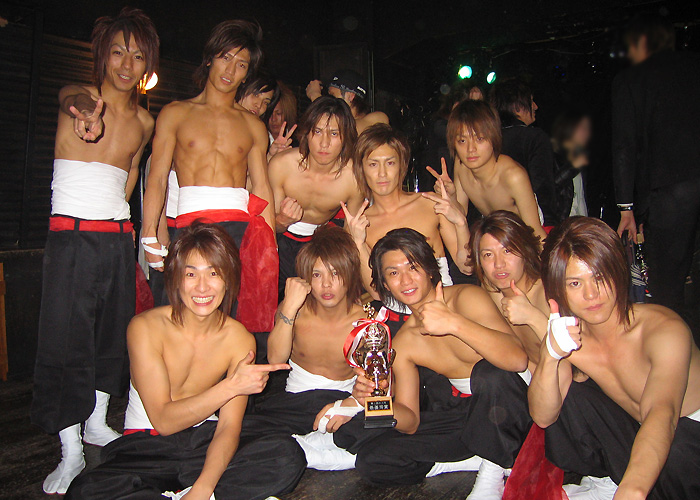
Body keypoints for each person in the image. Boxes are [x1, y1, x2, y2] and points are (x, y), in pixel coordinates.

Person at [66, 222, 305, 500]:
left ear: (228, 278)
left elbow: (228, 427)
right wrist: (230, 387)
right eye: (191, 274)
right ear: (176, 279)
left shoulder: (239, 338)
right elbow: (164, 421)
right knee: (85, 492)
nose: (202, 287)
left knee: (286, 456)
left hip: (204, 440)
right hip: (146, 445)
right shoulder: (145, 327)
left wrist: (203, 488)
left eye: (213, 273)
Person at [31, 8, 158, 494]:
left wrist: (129, 233)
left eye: (138, 55)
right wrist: (84, 110)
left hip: (116, 236)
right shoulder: (78, 98)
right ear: (103, 54)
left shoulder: (144, 121)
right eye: (119, 51)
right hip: (70, 236)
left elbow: (131, 174)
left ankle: (98, 422)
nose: (127, 63)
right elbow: (71, 97)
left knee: (113, 332)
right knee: (65, 340)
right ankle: (70, 449)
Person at [333, 228, 528, 487]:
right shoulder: (404, 342)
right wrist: (372, 402)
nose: (405, 280)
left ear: (429, 268)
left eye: (412, 267)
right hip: (465, 415)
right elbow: (411, 421)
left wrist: (454, 323)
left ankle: (492, 467)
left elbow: (517, 361)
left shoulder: (465, 298)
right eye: (393, 273)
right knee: (372, 459)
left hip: (512, 408)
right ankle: (471, 458)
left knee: (490, 373)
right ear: (385, 284)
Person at [530, 217, 700, 500]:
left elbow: (663, 413)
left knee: (676, 444)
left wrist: (632, 490)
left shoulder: (663, 330)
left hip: (687, 440)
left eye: (599, 277)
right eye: (575, 283)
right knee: (571, 394)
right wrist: (550, 354)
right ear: (558, 290)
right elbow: (543, 417)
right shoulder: (571, 337)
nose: (591, 294)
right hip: (645, 435)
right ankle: (608, 481)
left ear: (618, 272)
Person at [142, 20, 277, 333]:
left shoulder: (253, 126)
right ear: (209, 58)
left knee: (232, 321)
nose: (230, 70)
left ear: (247, 74)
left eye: (241, 64)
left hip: (240, 230)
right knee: (181, 317)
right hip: (189, 226)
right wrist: (150, 234)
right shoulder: (175, 113)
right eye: (225, 58)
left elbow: (262, 188)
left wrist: (268, 252)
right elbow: (157, 179)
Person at [612, 14, 700, 320]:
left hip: (671, 190)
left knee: (666, 283)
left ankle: (674, 339)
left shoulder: (631, 80)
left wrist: (626, 207)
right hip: (681, 184)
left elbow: (624, 145)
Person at [256, 225, 366, 469]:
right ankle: (318, 450)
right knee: (247, 431)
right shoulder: (294, 310)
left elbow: (377, 384)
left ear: (350, 275)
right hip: (295, 404)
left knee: (378, 424)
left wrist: (353, 404)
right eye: (317, 275)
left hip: (341, 403)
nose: (326, 285)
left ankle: (306, 450)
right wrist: (289, 307)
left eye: (335, 273)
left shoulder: (365, 320)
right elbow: (275, 358)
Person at [343, 123, 470, 302]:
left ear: (402, 165)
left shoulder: (430, 204)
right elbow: (377, 293)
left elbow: (467, 267)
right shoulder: (359, 226)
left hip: (442, 304)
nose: (382, 173)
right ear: (361, 169)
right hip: (397, 313)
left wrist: (461, 223)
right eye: (373, 164)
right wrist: (358, 242)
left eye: (390, 163)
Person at [268, 96, 364, 301]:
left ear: (346, 137)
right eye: (318, 131)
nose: (324, 143)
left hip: (322, 245)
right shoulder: (282, 165)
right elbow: (266, 228)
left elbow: (351, 236)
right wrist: (282, 220)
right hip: (280, 243)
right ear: (307, 132)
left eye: (334, 133)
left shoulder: (354, 178)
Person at [433, 99, 548, 241]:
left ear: (493, 137)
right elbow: (461, 212)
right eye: (462, 141)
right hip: (494, 234)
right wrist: (451, 196)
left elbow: (536, 233)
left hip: (524, 236)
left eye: (479, 139)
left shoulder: (513, 176)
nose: (470, 149)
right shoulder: (461, 165)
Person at [490, 79, 558, 227]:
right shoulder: (534, 138)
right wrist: (550, 224)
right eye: (531, 101)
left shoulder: (488, 140)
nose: (535, 106)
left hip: (498, 225)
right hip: (532, 223)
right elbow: (543, 187)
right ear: (517, 106)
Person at [306, 69, 389, 134]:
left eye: (333, 96)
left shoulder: (378, 119)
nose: (331, 101)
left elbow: (347, 129)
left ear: (350, 96)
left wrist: (315, 95)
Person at [551, 110, 591, 219]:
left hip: (578, 221)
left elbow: (581, 197)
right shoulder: (551, 155)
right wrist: (573, 167)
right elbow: (549, 187)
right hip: (561, 221)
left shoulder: (580, 157)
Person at [267, 81, 299, 158]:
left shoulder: (298, 142)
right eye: (270, 114)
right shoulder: (259, 140)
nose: (273, 119)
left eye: (278, 114)